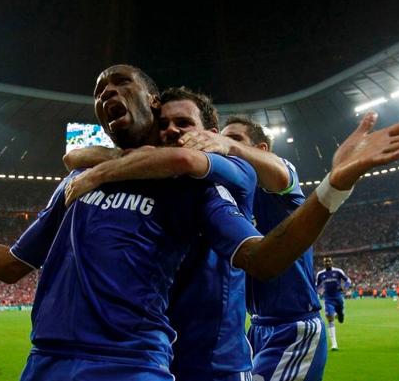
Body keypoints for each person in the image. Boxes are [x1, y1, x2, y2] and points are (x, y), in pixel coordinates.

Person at [0, 64, 399, 380]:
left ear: (151, 103)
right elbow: (8, 265)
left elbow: (259, 251)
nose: (107, 93)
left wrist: (335, 184)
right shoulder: (74, 182)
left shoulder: (200, 185)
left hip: (145, 365)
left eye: (120, 83)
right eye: (99, 89)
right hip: (47, 361)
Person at [65, 86, 259, 381]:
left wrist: (100, 173)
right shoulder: (155, 180)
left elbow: (186, 160)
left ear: (211, 133)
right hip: (157, 359)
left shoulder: (228, 173)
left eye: (183, 123)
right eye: (163, 124)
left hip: (217, 366)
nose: (171, 130)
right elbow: (74, 156)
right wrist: (121, 157)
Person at [185, 115, 327, 381]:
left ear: (260, 149)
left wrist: (227, 146)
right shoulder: (228, 197)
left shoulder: (278, 183)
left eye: (235, 138)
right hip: (256, 328)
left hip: (293, 326)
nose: (224, 144)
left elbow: (280, 172)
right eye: (223, 138)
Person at [316, 257, 351, 351]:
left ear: (332, 262)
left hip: (338, 298)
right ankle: (334, 344)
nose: (328, 263)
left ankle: (340, 314)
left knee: (340, 317)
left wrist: (345, 288)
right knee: (329, 317)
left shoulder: (338, 271)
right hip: (328, 299)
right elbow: (316, 285)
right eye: (326, 261)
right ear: (324, 263)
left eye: (329, 261)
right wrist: (318, 291)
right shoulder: (320, 274)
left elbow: (348, 280)